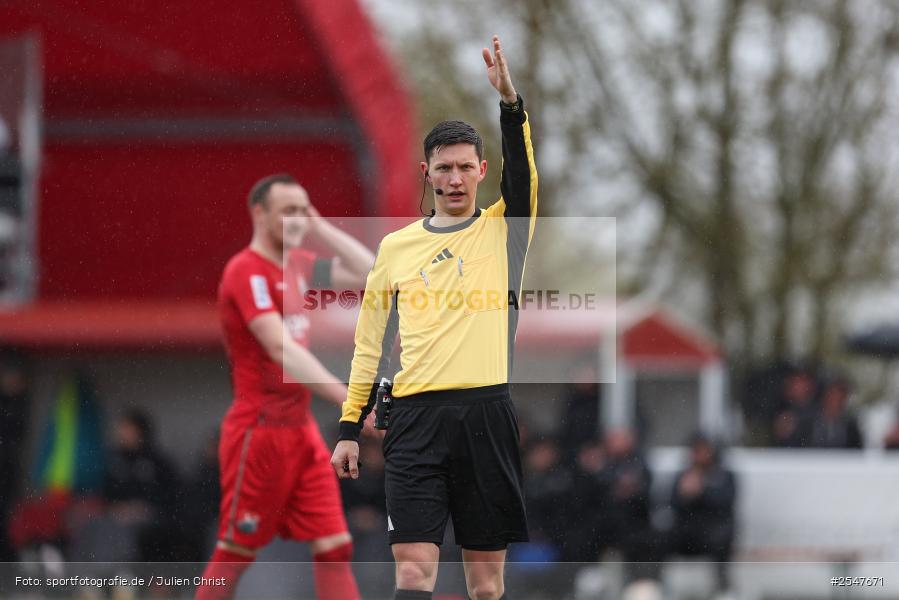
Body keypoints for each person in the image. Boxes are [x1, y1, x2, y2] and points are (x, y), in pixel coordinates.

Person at [331, 35, 538, 600]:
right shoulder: (396, 248)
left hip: (486, 417)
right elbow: (368, 340)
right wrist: (350, 427)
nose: (453, 179)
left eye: (464, 168)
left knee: (487, 583)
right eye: (443, 168)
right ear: (426, 172)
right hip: (414, 423)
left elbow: (524, 177)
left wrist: (510, 101)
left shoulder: (503, 230)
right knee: (415, 573)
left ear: (480, 171)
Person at [196, 174, 374, 600]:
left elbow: (373, 274)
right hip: (259, 431)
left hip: (301, 430)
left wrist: (319, 226)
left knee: (335, 547)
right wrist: (350, 401)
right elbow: (280, 348)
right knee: (236, 550)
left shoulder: (299, 266)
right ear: (259, 213)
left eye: (303, 210)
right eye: (288, 211)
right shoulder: (245, 270)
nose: (297, 220)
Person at [666, 432, 736, 594]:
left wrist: (702, 492)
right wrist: (686, 495)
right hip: (689, 533)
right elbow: (672, 504)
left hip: (714, 531)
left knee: (721, 540)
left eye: (703, 451)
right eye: (696, 451)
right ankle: (656, 586)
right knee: (658, 537)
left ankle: (722, 587)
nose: (699, 456)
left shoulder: (723, 475)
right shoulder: (683, 475)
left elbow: (726, 502)